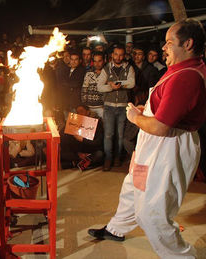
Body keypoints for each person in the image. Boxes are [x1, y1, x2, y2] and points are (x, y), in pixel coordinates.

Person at [88, 19, 206, 258]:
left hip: (167, 148)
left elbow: (161, 127)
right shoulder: (181, 68)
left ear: (189, 43)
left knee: (153, 212)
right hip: (153, 144)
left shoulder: (187, 76)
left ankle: (182, 256)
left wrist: (133, 116)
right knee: (133, 187)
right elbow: (167, 109)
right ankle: (116, 229)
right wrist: (148, 110)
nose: (164, 48)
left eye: (170, 43)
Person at [97, 44, 135, 171]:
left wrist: (119, 84)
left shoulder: (129, 68)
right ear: (112, 55)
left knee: (120, 135)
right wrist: (110, 87)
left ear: (124, 55)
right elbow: (99, 87)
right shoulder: (106, 68)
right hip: (109, 107)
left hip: (123, 107)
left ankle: (117, 158)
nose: (118, 57)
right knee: (108, 134)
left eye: (121, 54)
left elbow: (132, 83)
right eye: (116, 54)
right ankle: (108, 159)